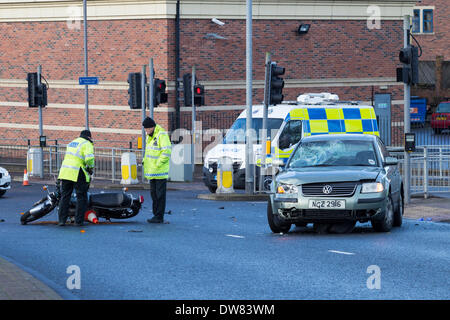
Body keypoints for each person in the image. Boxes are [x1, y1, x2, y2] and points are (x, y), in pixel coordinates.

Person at [57, 130, 95, 226]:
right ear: (89, 137)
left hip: (65, 172)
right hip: (78, 172)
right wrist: (90, 168)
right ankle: (78, 221)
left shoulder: (72, 143)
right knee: (81, 197)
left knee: (65, 196)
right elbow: (89, 159)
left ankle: (62, 220)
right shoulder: (87, 144)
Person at [142, 117, 171, 223]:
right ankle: (156, 215)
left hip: (160, 171)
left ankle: (159, 216)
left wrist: (158, 164)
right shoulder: (150, 136)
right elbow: (149, 152)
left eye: (147, 129)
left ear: (152, 127)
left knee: (160, 195)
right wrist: (144, 161)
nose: (146, 131)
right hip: (152, 172)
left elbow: (166, 152)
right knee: (154, 195)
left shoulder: (161, 135)